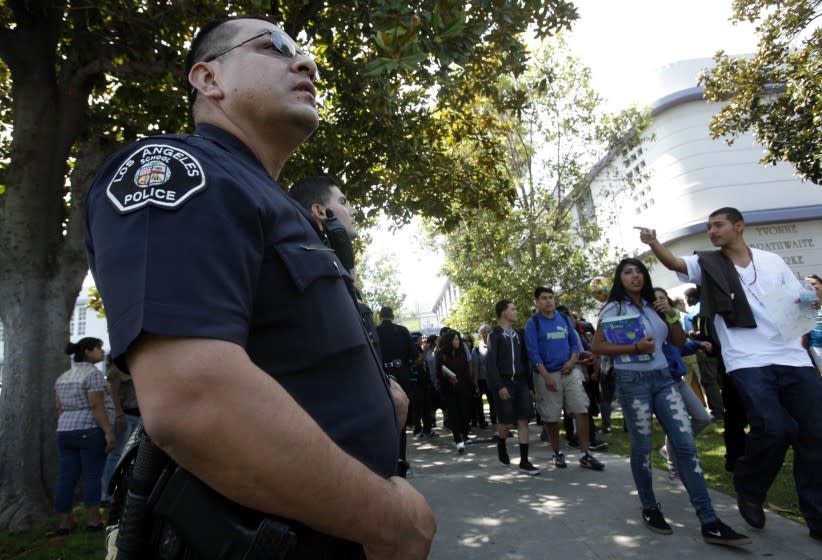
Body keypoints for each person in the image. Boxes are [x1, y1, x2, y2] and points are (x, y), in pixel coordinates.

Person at [84, 16, 434, 558]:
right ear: (208, 79)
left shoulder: (276, 208)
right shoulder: (176, 169)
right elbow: (192, 399)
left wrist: (373, 396)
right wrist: (389, 520)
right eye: (275, 47)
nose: (306, 62)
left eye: (303, 52)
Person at [639, 207, 822, 542]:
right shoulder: (708, 263)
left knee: (814, 434)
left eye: (718, 225)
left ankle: (818, 515)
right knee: (773, 427)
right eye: (708, 226)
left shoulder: (771, 261)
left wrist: (811, 301)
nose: (711, 231)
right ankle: (749, 487)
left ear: (739, 227)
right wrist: (653, 242)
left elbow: (796, 300)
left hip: (792, 356)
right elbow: (675, 264)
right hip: (747, 359)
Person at [592, 258, 750, 546]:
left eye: (639, 271)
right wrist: (634, 347)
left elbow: (676, 342)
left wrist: (671, 316)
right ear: (619, 279)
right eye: (628, 272)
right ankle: (650, 508)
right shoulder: (613, 308)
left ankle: (710, 522)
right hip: (632, 383)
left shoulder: (657, 305)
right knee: (642, 449)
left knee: (686, 446)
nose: (635, 276)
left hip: (665, 379)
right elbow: (598, 346)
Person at [525, 288, 604, 471]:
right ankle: (557, 453)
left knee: (581, 409)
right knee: (551, 417)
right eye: (543, 298)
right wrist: (545, 377)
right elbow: (533, 352)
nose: (548, 301)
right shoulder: (533, 323)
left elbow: (574, 343)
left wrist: (572, 361)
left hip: (570, 371)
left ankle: (585, 454)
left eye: (550, 297)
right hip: (547, 374)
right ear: (536, 302)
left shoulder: (564, 319)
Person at [54, 337, 114, 535]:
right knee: (91, 475)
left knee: (66, 477)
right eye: (99, 348)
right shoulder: (93, 375)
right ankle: (94, 520)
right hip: (89, 430)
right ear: (88, 351)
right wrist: (108, 431)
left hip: (65, 430)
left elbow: (59, 407)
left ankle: (64, 522)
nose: (102, 352)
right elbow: (96, 406)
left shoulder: (63, 377)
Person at [653, 288, 713, 482]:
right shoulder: (650, 326)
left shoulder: (672, 323)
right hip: (663, 384)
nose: (660, 302)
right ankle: (674, 468)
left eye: (663, 298)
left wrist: (698, 344)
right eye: (655, 299)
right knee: (675, 426)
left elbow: (679, 346)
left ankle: (669, 447)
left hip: (678, 381)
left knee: (702, 418)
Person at [486, 300, 540, 475]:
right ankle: (501, 442)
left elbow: (525, 360)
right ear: (503, 313)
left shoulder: (519, 334)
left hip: (521, 381)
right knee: (507, 422)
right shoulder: (494, 335)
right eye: (513, 309)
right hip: (504, 382)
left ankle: (524, 461)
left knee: (524, 419)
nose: (516, 312)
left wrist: (530, 385)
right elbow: (491, 364)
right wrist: (499, 385)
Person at [377, 306, 418, 473]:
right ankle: (401, 458)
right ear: (393, 316)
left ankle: (385, 459)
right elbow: (414, 356)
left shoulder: (374, 330)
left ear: (380, 317)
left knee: (383, 420)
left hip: (381, 379)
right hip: (401, 378)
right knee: (400, 419)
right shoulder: (402, 331)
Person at [100, 356, 140, 506]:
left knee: (132, 456)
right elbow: (113, 394)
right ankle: (106, 494)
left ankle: (125, 491)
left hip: (138, 415)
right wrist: (119, 414)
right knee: (116, 455)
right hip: (125, 415)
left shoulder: (134, 367)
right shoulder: (116, 371)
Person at [435, 329, 473, 454]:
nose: (458, 341)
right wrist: (448, 379)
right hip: (449, 390)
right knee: (454, 415)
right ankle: (458, 440)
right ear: (449, 341)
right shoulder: (441, 355)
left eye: (458, 339)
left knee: (464, 413)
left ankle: (464, 434)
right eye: (456, 339)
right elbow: (439, 374)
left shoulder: (461, 353)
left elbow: (466, 372)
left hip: (463, 388)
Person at [471, 324, 496, 428]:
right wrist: (475, 385)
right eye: (484, 332)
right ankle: (481, 422)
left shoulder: (496, 347)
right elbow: (475, 368)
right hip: (481, 380)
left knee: (493, 403)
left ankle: (495, 421)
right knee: (479, 404)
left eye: (488, 331)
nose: (486, 334)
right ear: (480, 334)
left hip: (493, 380)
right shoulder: (476, 350)